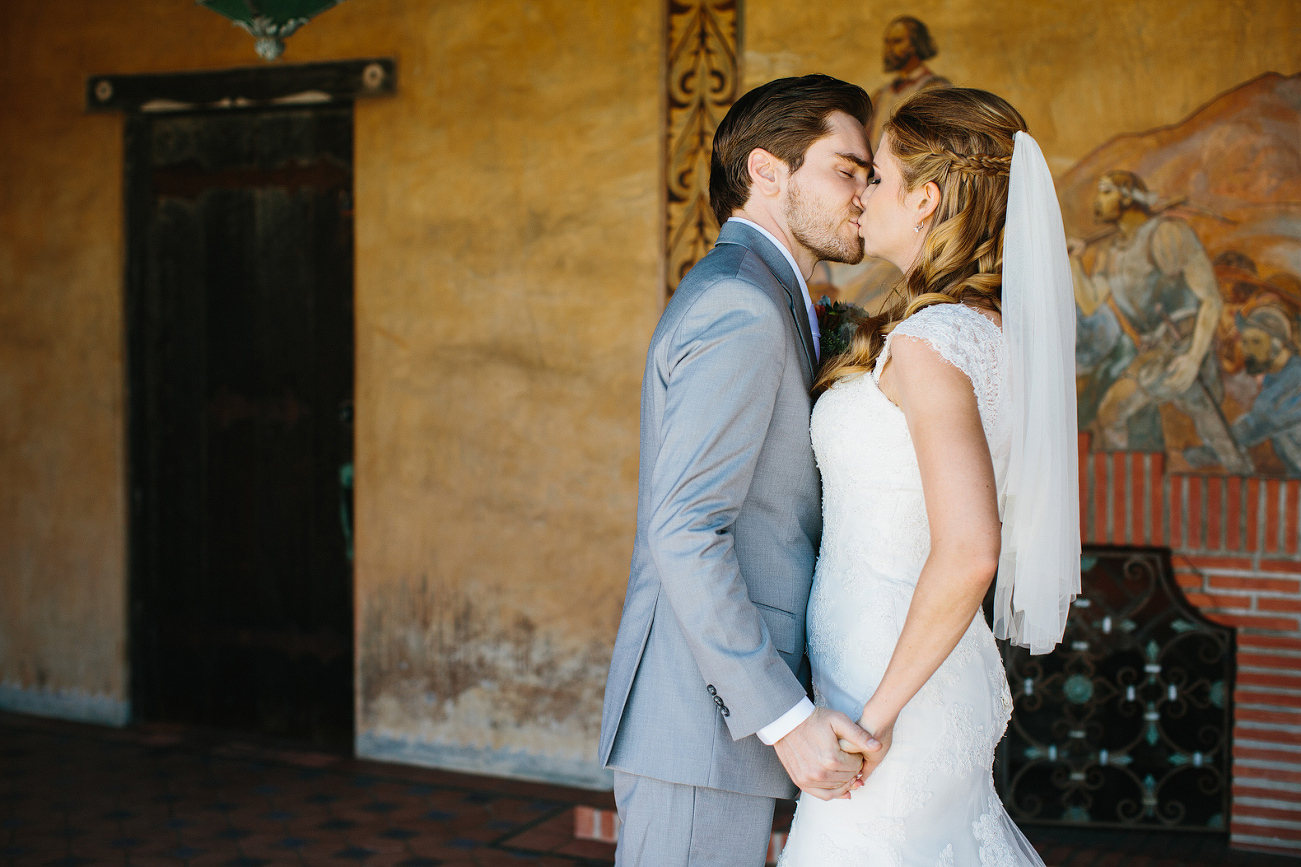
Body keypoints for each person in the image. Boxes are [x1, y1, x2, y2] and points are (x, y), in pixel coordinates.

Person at [777, 88, 1080, 864]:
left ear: (924, 199)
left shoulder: (928, 342)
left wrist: (875, 717)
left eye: (874, 176)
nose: (861, 193)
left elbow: (971, 548)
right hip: (908, 669)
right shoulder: (988, 330)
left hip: (890, 692)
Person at [599, 74, 881, 866]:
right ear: (767, 171)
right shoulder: (741, 306)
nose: (864, 192)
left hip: (717, 720)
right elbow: (684, 529)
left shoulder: (774, 295)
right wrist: (784, 718)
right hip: (700, 719)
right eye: (846, 169)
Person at [1069, 171, 1252, 473]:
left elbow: (1211, 299)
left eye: (1105, 192)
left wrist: (1193, 359)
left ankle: (1241, 481)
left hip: (1185, 345)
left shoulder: (1167, 234)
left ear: (1126, 197)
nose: (1096, 201)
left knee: (1215, 433)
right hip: (1154, 352)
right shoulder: (1111, 252)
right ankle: (1127, 481)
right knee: (1114, 413)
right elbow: (1089, 302)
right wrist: (1075, 262)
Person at [1187, 304, 1301, 475]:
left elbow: (1256, 425)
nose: (1247, 349)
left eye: (1256, 341)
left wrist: (1210, 452)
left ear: (1278, 344)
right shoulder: (1277, 379)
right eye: (1245, 342)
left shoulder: (1293, 380)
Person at [866, 15, 951, 148]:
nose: (889, 49)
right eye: (887, 42)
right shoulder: (881, 95)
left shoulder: (935, 89)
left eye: (897, 41)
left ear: (915, 44)